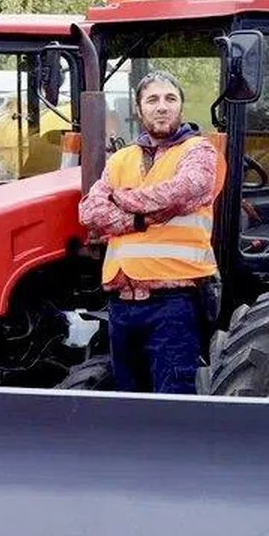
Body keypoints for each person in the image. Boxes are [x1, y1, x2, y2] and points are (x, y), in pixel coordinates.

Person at [78, 70, 218, 394]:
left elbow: (180, 192)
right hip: (121, 305)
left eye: (170, 99)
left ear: (181, 106)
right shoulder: (121, 159)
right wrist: (141, 219)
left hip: (173, 302)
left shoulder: (199, 152)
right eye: (152, 99)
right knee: (128, 406)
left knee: (171, 406)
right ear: (139, 109)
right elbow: (90, 212)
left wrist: (120, 197)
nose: (162, 107)